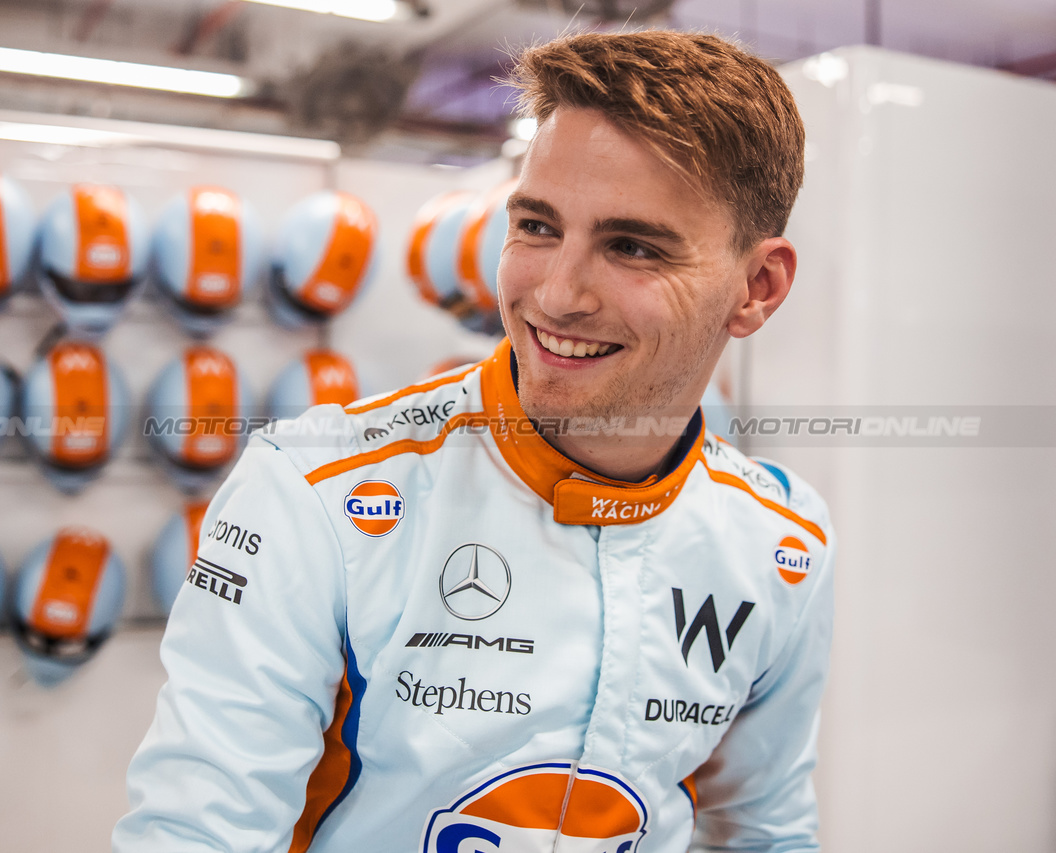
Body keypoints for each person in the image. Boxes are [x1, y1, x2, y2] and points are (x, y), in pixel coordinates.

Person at [113, 29, 833, 853]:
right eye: (535, 226)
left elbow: (763, 834)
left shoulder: (785, 545)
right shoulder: (314, 495)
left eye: (631, 246)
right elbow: (195, 836)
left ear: (757, 287)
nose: (557, 293)